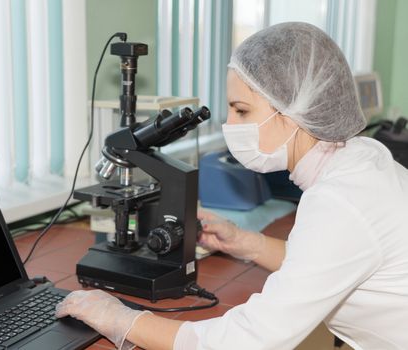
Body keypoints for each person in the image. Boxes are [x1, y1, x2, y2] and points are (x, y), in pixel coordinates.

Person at [55, 22, 408, 349]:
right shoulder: (362, 158)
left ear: (294, 111)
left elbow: (248, 340)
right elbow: (323, 262)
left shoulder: (340, 200)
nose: (230, 124)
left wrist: (122, 320)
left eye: (241, 111)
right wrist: (246, 243)